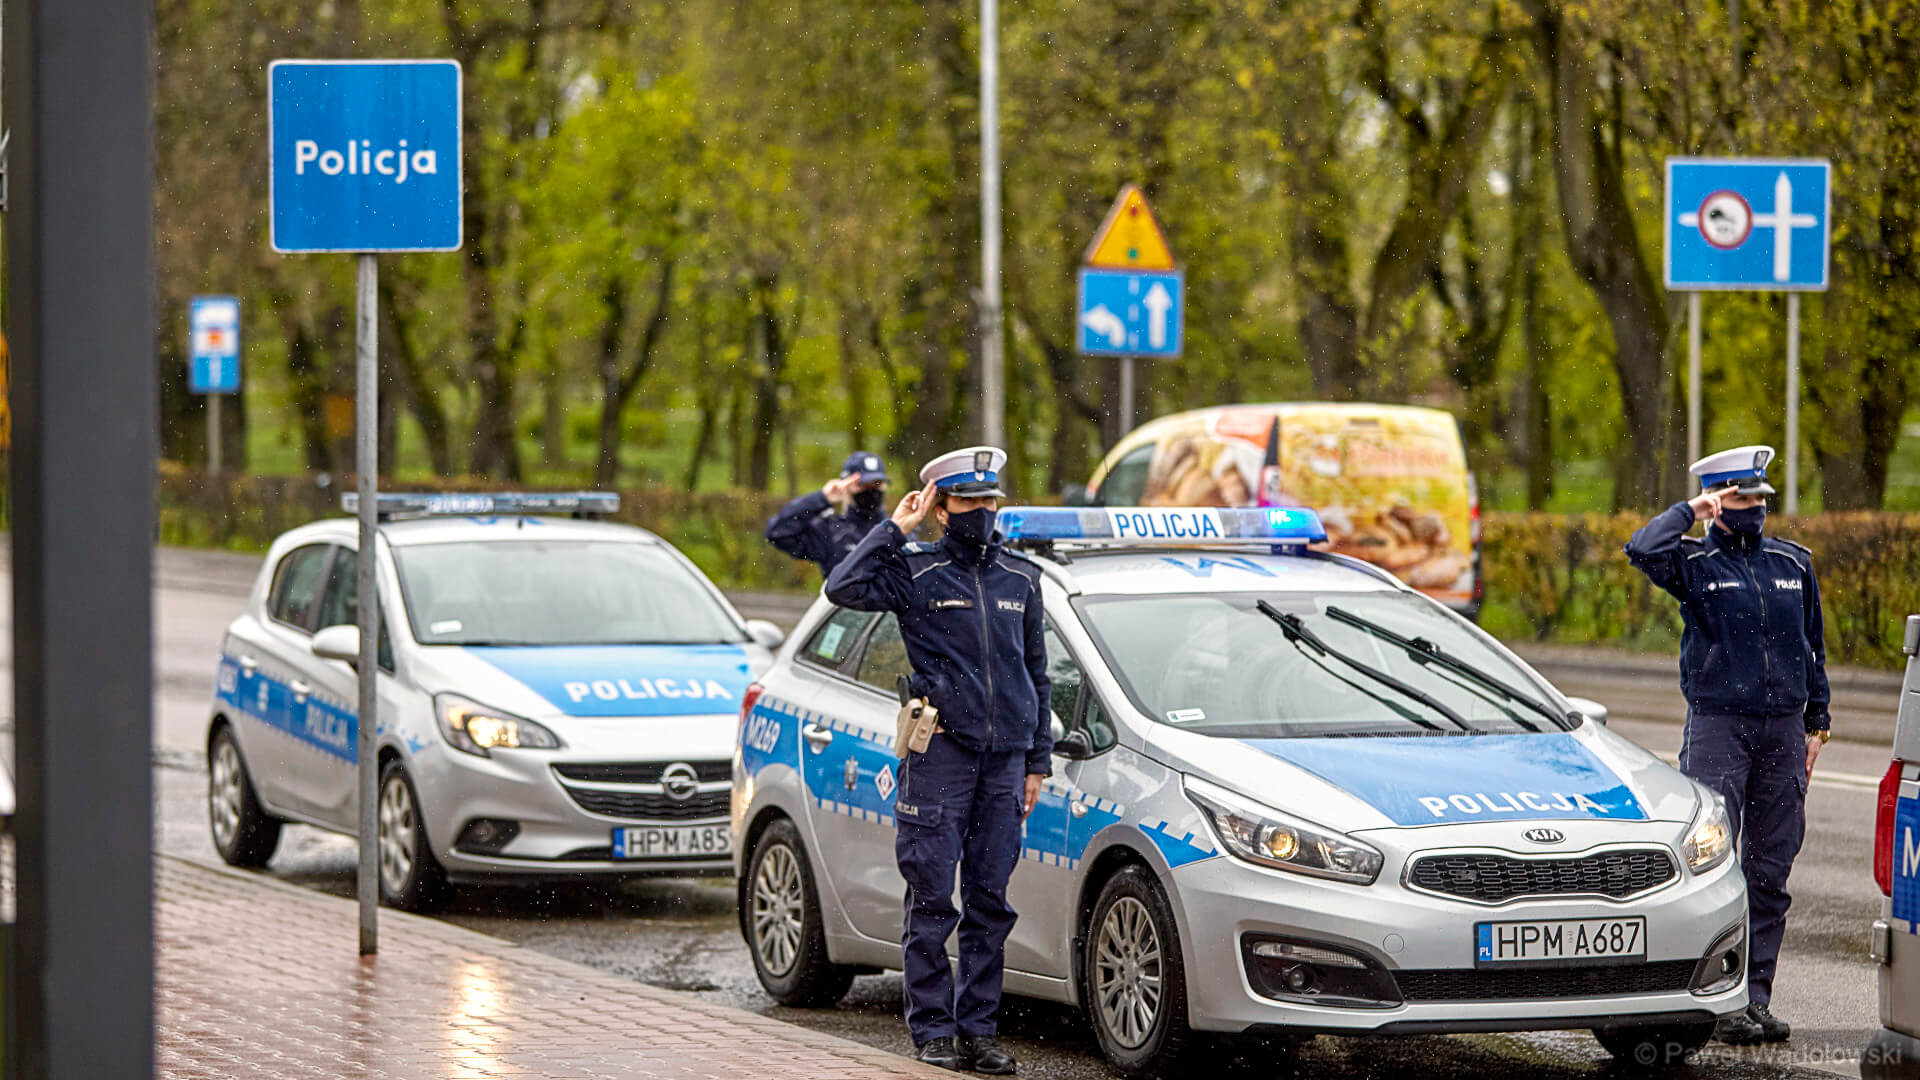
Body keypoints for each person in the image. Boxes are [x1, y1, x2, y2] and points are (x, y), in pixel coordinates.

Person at [823, 445, 1050, 1074]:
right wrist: (895, 527)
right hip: (941, 756)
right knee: (930, 900)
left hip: (1005, 764)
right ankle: (933, 1031)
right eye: (969, 501)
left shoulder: (1022, 579)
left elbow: (1037, 672)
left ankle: (979, 1031)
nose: (982, 511)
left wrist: (1038, 761)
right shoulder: (914, 571)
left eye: (989, 501)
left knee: (989, 903)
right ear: (942, 507)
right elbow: (841, 586)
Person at [1624, 444, 1829, 1046]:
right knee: (1714, 870)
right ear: (1718, 502)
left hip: (1784, 734)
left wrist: (1818, 723)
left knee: (1770, 873)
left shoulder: (1793, 564)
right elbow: (1642, 548)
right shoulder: (1694, 564)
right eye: (1741, 498)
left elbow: (1812, 648)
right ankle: (1710, 996)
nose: (1755, 509)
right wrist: (1690, 510)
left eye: (1760, 498)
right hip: (1720, 728)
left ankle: (1753, 999)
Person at [764, 451, 890, 576]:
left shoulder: (896, 530)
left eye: (877, 484)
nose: (871, 490)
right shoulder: (831, 531)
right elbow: (777, 532)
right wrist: (822, 498)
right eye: (861, 484)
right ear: (844, 486)